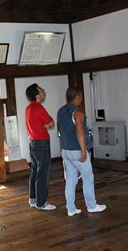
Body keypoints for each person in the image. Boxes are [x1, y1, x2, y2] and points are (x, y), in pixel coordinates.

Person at [57, 87, 106, 216]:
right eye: (81, 97)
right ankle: (91, 205)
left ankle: (71, 208)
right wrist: (83, 151)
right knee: (88, 178)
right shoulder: (78, 112)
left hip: (65, 150)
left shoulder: (60, 111)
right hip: (77, 150)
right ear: (77, 97)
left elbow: (61, 131)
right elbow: (80, 132)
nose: (82, 99)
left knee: (71, 180)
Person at [25, 83, 56, 211]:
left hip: (32, 143)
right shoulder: (38, 107)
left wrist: (46, 125)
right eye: (42, 90)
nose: (44, 91)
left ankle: (33, 199)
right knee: (43, 173)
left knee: (34, 171)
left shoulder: (28, 108)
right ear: (37, 94)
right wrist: (47, 125)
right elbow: (51, 122)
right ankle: (41, 203)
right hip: (42, 143)